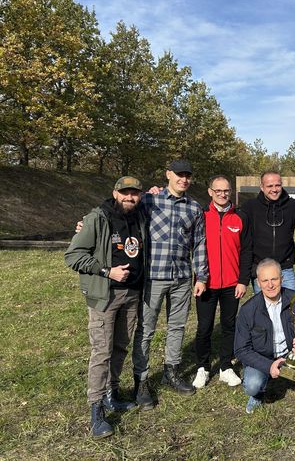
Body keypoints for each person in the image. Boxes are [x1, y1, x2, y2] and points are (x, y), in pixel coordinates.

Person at [65, 176, 148, 438]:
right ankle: (97, 408)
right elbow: (74, 255)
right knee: (101, 352)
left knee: (120, 347)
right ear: (115, 193)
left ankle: (113, 393)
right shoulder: (97, 218)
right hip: (106, 296)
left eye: (134, 193)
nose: (129, 197)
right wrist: (107, 271)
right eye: (125, 193)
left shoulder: (140, 216)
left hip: (132, 294)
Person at [132, 159, 208, 407]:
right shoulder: (149, 200)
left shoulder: (194, 208)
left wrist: (202, 276)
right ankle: (141, 381)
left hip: (182, 278)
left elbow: (199, 245)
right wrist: (87, 223)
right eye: (179, 174)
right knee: (146, 330)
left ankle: (171, 371)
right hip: (153, 276)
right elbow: (119, 210)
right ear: (168, 175)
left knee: (177, 327)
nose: (183, 179)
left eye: (188, 175)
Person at [234, 258, 295, 414]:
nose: (270, 285)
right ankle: (257, 395)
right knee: (252, 385)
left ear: (282, 279)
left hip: (290, 354)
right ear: (258, 283)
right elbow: (241, 350)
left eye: (274, 279)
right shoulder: (248, 310)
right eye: (265, 280)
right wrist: (268, 366)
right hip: (263, 358)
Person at [192, 175, 251, 389]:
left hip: (231, 284)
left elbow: (246, 252)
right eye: (218, 191)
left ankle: (225, 366)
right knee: (204, 327)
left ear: (230, 191)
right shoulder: (200, 216)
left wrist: (243, 280)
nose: (222, 194)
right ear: (210, 192)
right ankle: (202, 367)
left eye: (226, 190)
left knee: (229, 325)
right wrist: (199, 277)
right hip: (206, 283)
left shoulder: (240, 217)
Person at [241, 171, 295, 292]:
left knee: (288, 307)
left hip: (285, 269)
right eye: (269, 186)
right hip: (262, 269)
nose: (274, 189)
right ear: (262, 187)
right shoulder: (250, 207)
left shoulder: (294, 206)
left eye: (277, 185)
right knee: (265, 309)